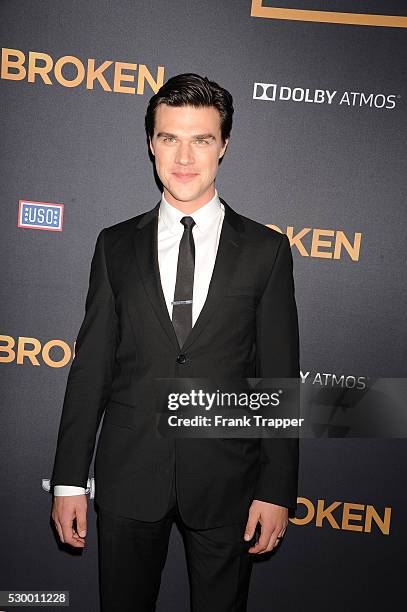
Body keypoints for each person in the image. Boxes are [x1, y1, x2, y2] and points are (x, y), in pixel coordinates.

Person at [51, 73, 300, 612]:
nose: (184, 156)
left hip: (227, 483)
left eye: (202, 139)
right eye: (170, 138)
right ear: (151, 143)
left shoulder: (267, 250)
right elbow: (90, 366)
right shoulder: (115, 245)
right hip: (128, 476)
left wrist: (277, 488)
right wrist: (69, 480)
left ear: (224, 145)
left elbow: (278, 381)